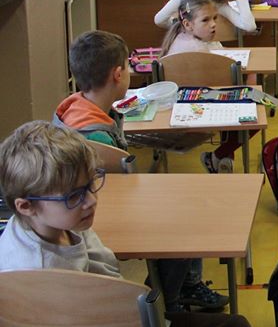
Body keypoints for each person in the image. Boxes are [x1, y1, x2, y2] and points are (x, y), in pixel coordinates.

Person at [0, 122, 248, 325]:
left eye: (91, 184)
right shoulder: (39, 277)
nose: (91, 200)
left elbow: (108, 275)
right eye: (74, 196)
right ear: (26, 206)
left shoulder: (52, 221)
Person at [52, 30, 229, 313]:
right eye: (128, 67)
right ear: (118, 74)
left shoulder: (76, 107)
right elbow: (119, 194)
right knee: (186, 218)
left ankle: (182, 286)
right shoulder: (95, 138)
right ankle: (168, 303)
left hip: (92, 207)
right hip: (103, 214)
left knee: (178, 200)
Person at [160, 0, 242, 174]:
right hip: (196, 110)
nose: (213, 24)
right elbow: (223, 85)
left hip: (182, 105)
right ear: (188, 24)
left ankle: (223, 157)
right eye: (205, 20)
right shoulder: (198, 49)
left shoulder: (180, 36)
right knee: (254, 111)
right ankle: (220, 155)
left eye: (215, 18)